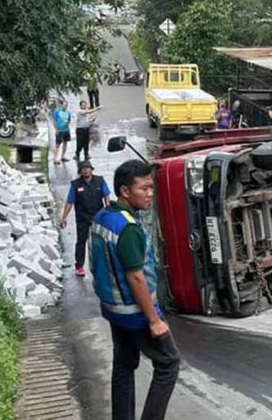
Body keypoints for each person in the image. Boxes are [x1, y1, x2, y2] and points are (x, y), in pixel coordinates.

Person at [89, 160, 180, 420]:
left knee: (124, 366)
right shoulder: (128, 228)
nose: (150, 194)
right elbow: (135, 277)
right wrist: (154, 320)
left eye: (151, 188)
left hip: (112, 309)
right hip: (136, 313)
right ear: (125, 191)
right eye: (144, 189)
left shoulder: (103, 217)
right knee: (169, 363)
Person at [60, 161, 110, 276]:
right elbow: (70, 201)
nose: (86, 170)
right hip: (82, 217)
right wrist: (64, 217)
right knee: (81, 242)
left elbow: (106, 195)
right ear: (80, 171)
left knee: (99, 242)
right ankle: (79, 266)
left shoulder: (100, 180)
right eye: (83, 168)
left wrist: (107, 210)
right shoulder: (75, 184)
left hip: (98, 217)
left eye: (88, 168)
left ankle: (100, 266)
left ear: (92, 169)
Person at [52, 100, 72, 165]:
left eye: (66, 105)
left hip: (66, 130)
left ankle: (62, 156)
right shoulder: (57, 112)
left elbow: (69, 120)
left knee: (65, 143)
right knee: (57, 144)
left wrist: (67, 124)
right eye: (64, 105)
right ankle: (55, 158)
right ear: (61, 105)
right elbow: (54, 121)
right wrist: (56, 129)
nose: (65, 107)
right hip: (59, 130)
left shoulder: (68, 112)